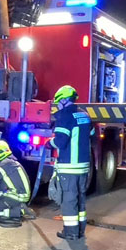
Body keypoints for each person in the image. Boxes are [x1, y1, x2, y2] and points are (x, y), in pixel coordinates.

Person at [49, 85, 92, 241]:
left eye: (59, 102)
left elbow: (60, 142)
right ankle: (80, 230)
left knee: (69, 200)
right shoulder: (84, 115)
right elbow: (91, 134)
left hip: (69, 167)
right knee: (80, 198)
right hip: (83, 166)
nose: (57, 105)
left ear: (65, 100)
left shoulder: (65, 116)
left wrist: (49, 142)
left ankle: (71, 232)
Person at [0, 140, 32, 227]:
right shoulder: (10, 162)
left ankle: (19, 211)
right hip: (19, 195)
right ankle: (16, 206)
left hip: (16, 196)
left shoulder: (2, 166)